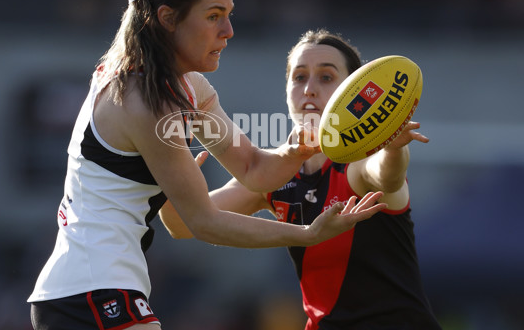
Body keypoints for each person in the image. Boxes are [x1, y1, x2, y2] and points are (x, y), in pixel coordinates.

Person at [27, 0, 387, 330]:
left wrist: (295, 152)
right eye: (214, 16)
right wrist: (309, 234)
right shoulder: (149, 104)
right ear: (168, 19)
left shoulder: (186, 89)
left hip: (87, 291)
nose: (228, 30)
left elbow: (251, 168)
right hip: (91, 292)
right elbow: (204, 222)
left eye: (229, 14)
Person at [160, 29, 442, 329]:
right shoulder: (270, 174)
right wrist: (175, 172)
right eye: (298, 77)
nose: (309, 89)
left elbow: (386, 175)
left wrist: (394, 149)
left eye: (326, 77)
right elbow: (180, 223)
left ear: (353, 94)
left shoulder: (359, 163)